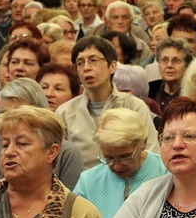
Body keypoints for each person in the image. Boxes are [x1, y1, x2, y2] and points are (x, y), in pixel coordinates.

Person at [57, 36, 160, 169]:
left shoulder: (133, 106)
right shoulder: (65, 112)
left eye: (93, 60)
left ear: (112, 66)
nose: (86, 68)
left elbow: (152, 155)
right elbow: (59, 163)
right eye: (80, 63)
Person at [0, 77, 85, 189]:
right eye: (4, 114)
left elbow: (71, 201)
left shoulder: (67, 152)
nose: (10, 120)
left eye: (19, 113)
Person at [74, 108, 166, 218]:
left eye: (125, 157)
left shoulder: (166, 173)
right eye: (108, 158)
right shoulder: (89, 181)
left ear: (143, 143)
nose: (117, 166)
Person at [148, 37, 194, 115]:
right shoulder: (149, 89)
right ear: (159, 64)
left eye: (176, 61)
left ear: (187, 66)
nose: (169, 65)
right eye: (164, 60)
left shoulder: (193, 94)